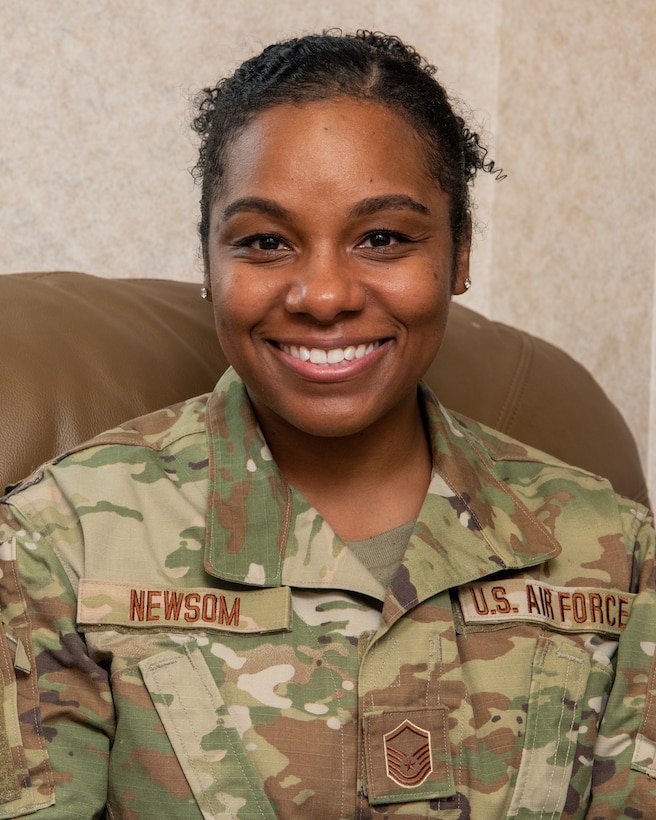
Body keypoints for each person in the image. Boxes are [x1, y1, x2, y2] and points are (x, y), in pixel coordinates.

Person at [0, 29, 654, 819]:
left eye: (381, 238)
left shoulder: (618, 554)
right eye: (265, 242)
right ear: (208, 262)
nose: (322, 295)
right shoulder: (56, 544)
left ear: (461, 251)